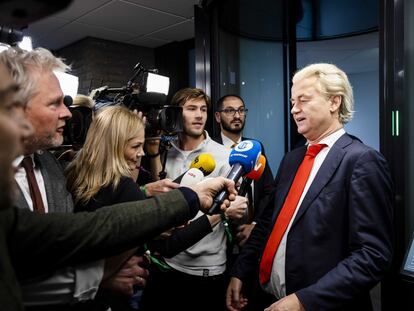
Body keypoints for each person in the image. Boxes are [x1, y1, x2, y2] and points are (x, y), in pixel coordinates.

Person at [0, 51, 237, 311]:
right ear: (13, 109)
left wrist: (153, 192)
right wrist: (212, 211)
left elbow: (77, 232)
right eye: (54, 103)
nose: (68, 114)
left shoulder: (53, 167)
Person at [226, 63, 394, 311]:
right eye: (293, 102)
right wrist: (240, 272)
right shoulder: (291, 159)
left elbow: (372, 255)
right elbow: (266, 225)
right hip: (267, 299)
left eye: (303, 100)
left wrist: (305, 301)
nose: (294, 109)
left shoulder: (362, 161)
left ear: (334, 102)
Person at [140, 88, 248, 311]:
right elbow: (159, 202)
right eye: (191, 109)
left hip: (207, 269)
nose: (199, 115)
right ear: (177, 114)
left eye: (203, 109)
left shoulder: (225, 156)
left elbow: (239, 213)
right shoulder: (163, 152)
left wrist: (237, 210)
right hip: (167, 265)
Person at [213, 94, 274, 245]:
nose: (237, 116)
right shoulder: (210, 149)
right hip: (218, 236)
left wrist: (255, 225)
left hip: (251, 235)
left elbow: (268, 191)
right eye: (230, 111)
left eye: (241, 110)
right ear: (218, 116)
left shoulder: (255, 147)